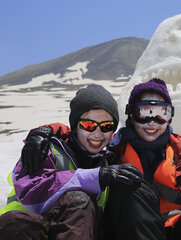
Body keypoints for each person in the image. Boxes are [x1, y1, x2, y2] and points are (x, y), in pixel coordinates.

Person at [18, 78, 181, 240]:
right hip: (132, 231)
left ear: (170, 116)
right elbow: (81, 132)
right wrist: (44, 131)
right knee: (128, 183)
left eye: (161, 113)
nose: (152, 122)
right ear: (131, 116)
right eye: (143, 113)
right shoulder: (112, 146)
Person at [0, 84, 143, 240]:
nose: (97, 134)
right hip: (24, 232)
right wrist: (94, 177)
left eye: (107, 126)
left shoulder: (109, 163)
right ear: (75, 126)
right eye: (89, 125)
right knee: (76, 200)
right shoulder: (44, 149)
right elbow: (33, 198)